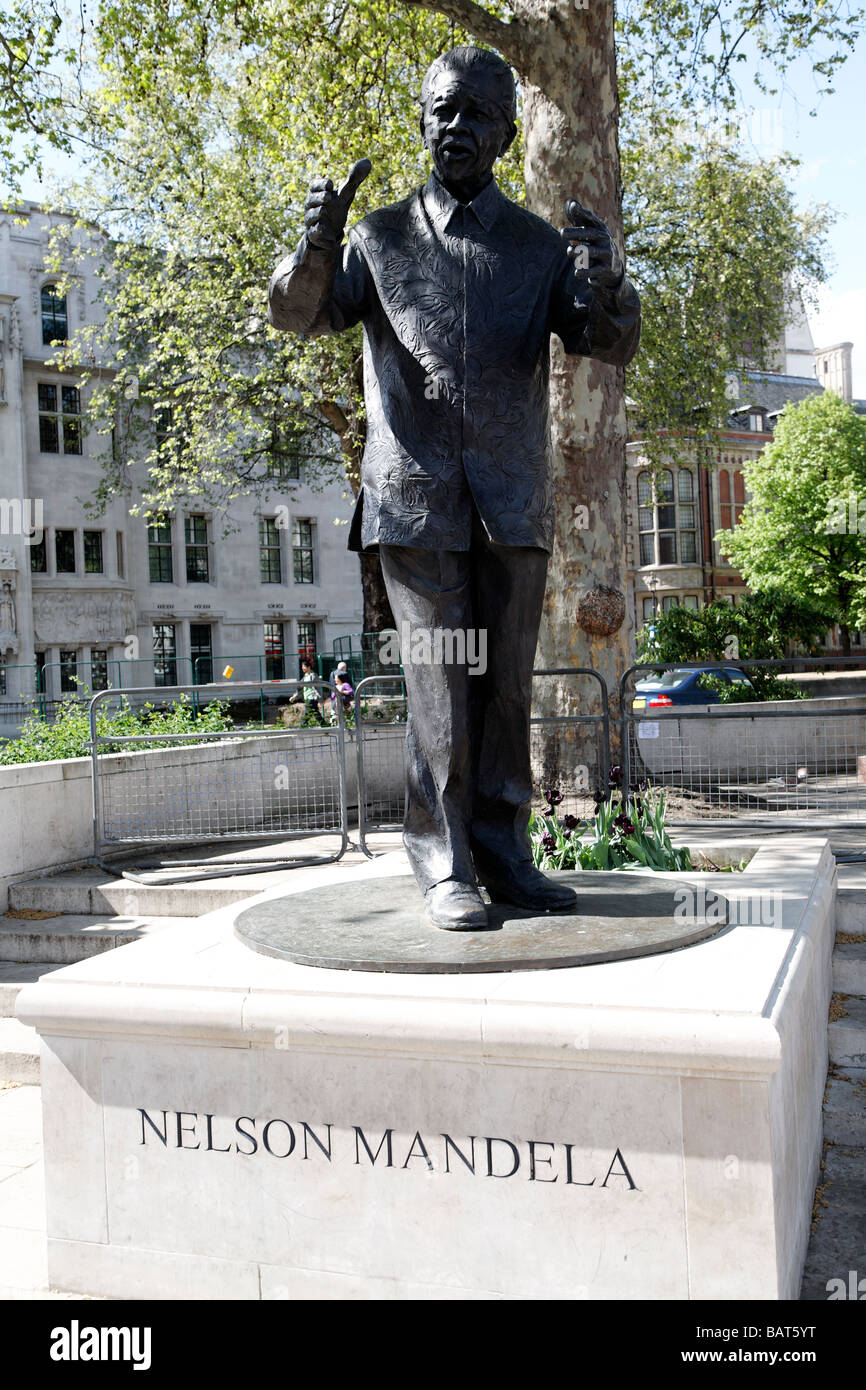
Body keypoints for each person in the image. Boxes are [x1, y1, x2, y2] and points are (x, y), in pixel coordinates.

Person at [269, 46, 640, 930]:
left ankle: (505, 851)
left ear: (509, 133)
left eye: (477, 115)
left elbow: (606, 342)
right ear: (422, 122)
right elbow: (295, 311)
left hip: (511, 501)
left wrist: (613, 281)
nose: (457, 128)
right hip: (414, 498)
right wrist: (316, 244)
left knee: (506, 685)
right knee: (439, 682)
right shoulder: (379, 238)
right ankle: (444, 862)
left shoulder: (540, 247)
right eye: (443, 111)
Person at [292, 658, 326, 727]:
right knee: (316, 713)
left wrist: (320, 699)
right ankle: (324, 724)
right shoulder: (305, 676)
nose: (302, 668)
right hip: (307, 697)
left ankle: (303, 725)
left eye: (304, 666)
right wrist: (294, 696)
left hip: (312, 697)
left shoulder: (313, 675)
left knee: (307, 713)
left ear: (309, 667)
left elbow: (316, 688)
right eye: (302, 667)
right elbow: (300, 687)